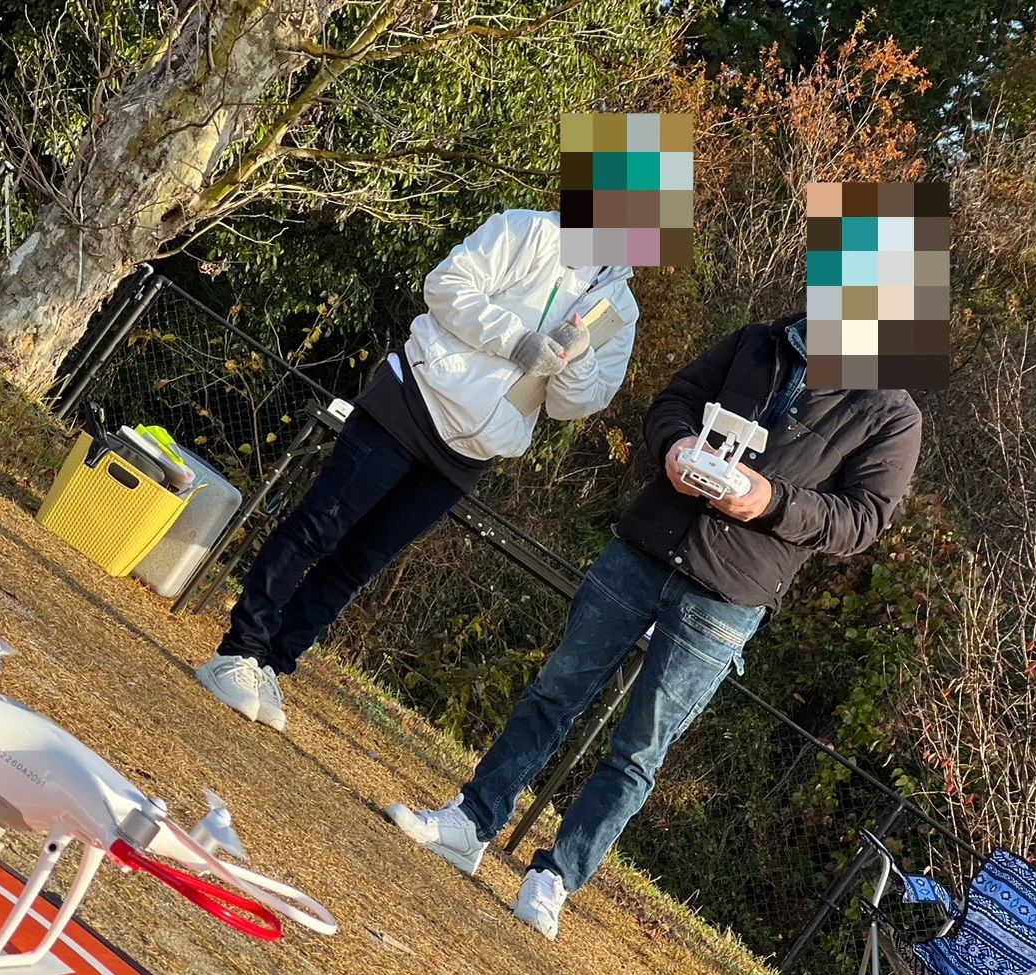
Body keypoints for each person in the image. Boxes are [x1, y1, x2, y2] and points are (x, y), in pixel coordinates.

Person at [387, 314, 922, 939]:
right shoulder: (758, 340)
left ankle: (557, 877)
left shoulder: (892, 412)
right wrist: (674, 447)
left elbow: (862, 520)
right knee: (554, 693)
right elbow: (676, 400)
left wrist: (772, 501)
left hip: (729, 595)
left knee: (640, 749)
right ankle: (472, 821)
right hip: (645, 546)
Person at [195, 210, 641, 731]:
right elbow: (446, 285)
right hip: (414, 399)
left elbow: (575, 405)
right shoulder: (531, 230)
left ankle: (272, 663)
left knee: (359, 562)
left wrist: (578, 358)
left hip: (472, 451)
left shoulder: (622, 311)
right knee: (318, 527)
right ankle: (239, 650)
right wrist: (517, 340)